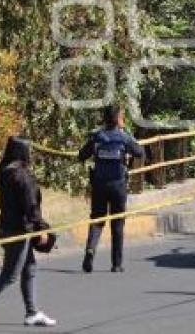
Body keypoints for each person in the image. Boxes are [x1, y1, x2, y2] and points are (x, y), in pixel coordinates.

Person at [0, 137, 56, 328]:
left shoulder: (3, 171)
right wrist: (41, 229)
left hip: (5, 226)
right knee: (10, 275)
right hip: (18, 231)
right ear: (24, 152)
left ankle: (32, 312)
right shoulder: (23, 176)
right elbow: (31, 207)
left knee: (29, 267)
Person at [78, 104, 144, 273]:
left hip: (99, 184)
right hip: (118, 185)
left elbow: (82, 155)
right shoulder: (123, 137)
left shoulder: (97, 137)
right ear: (118, 119)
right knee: (117, 223)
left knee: (97, 219)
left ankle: (90, 250)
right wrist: (126, 134)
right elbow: (139, 152)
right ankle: (116, 263)